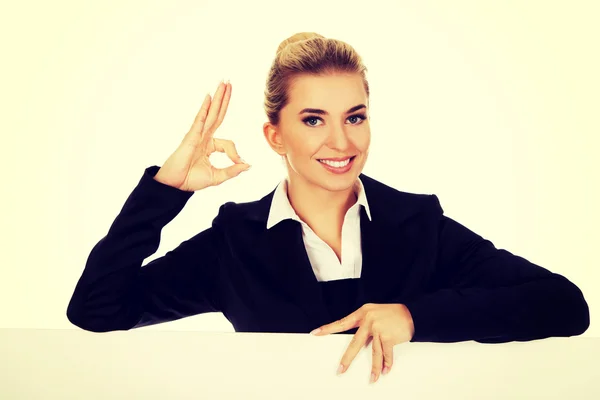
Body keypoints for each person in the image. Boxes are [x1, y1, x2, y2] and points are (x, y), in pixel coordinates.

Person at [67, 32, 590, 383]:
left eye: (355, 117)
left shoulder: (418, 225)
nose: (341, 141)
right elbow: (97, 310)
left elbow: (564, 304)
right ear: (275, 136)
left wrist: (413, 316)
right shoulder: (235, 243)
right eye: (314, 119)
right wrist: (167, 189)